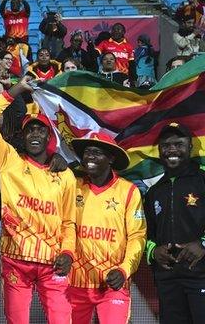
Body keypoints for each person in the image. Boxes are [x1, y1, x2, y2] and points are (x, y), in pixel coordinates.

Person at [0, 78, 77, 323]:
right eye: (30, 129)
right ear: (23, 134)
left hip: (53, 263)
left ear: (49, 136)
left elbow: (69, 223)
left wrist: (68, 253)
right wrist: (16, 90)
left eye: (41, 130)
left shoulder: (65, 174)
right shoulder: (9, 160)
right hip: (15, 262)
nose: (35, 134)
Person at [68, 132, 146, 324]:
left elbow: (137, 236)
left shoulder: (129, 191)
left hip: (113, 283)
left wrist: (124, 270)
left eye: (96, 152)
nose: (90, 157)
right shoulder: (72, 186)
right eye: (87, 152)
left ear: (111, 158)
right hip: (75, 284)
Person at [144, 122, 205, 324]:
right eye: (166, 145)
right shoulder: (154, 192)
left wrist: (202, 244)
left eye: (178, 144)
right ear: (159, 151)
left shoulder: (202, 180)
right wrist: (154, 252)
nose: (172, 149)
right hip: (167, 279)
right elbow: (145, 234)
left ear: (190, 147)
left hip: (201, 275)